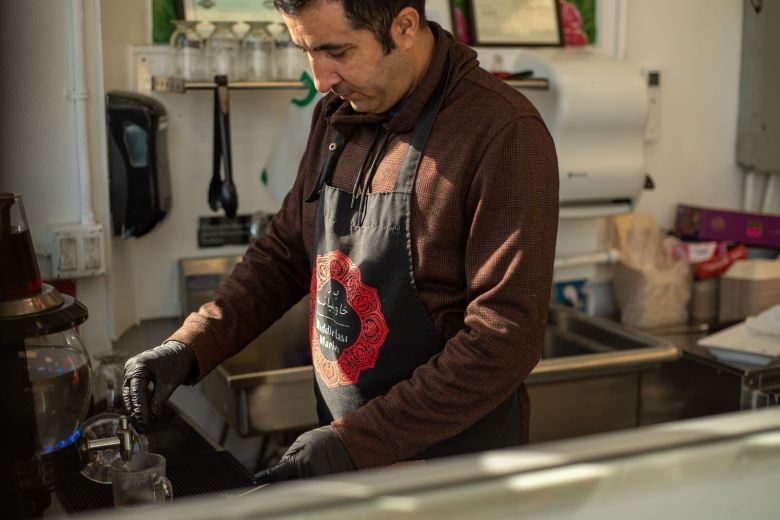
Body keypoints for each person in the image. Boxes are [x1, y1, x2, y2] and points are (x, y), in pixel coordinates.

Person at [123, 0, 559, 483]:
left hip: (451, 476)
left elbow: (505, 340)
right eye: (306, 51)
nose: (320, 80)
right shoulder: (337, 114)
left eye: (337, 52)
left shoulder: (502, 131)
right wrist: (189, 347)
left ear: (406, 26)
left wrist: (351, 443)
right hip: (352, 459)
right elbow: (286, 251)